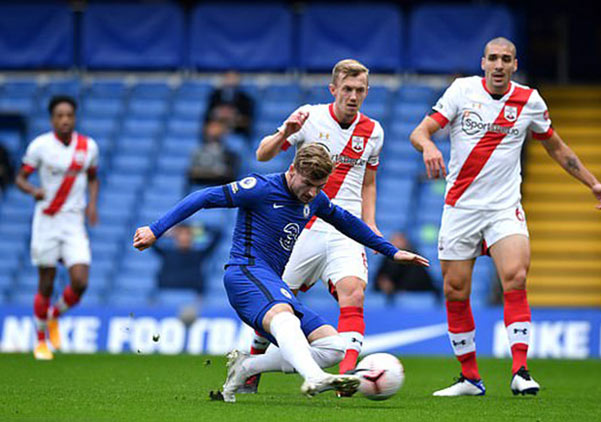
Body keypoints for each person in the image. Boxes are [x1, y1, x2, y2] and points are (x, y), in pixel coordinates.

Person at [132, 144, 428, 402]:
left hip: (271, 282)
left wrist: (392, 251)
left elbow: (347, 222)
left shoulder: (315, 199)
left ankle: (247, 367)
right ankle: (313, 377)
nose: (312, 192)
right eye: (308, 183)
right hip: (245, 274)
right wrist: (156, 230)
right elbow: (204, 197)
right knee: (285, 316)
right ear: (292, 170)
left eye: (319, 185)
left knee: (334, 347)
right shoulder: (260, 188)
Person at [409, 37, 601, 397]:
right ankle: (470, 378)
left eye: (506, 59)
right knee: (455, 291)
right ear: (483, 62)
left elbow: (556, 146)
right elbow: (420, 131)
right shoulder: (462, 91)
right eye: (493, 59)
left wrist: (592, 183)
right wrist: (428, 146)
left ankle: (521, 370)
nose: (499, 65)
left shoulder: (529, 100)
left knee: (516, 277)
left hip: (505, 208)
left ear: (514, 64)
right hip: (460, 208)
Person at [252, 59, 384, 384]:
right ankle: (252, 366)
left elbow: (368, 183)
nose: (353, 96)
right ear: (333, 89)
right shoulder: (308, 117)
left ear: (367, 92)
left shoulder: (373, 131)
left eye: (360, 90)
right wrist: (286, 131)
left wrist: (371, 225)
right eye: (347, 89)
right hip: (303, 226)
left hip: (346, 228)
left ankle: (347, 377)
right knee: (277, 301)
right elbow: (262, 154)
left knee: (353, 292)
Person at [15, 95, 100, 360]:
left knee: (80, 280)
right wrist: (32, 190)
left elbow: (94, 178)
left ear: (74, 118)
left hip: (73, 221)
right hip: (47, 221)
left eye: (69, 115)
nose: (64, 120)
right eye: (59, 115)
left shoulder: (88, 147)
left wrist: (92, 205)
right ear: (52, 119)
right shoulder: (40, 146)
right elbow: (20, 177)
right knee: (46, 283)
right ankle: (41, 341)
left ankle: (53, 315)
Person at [151, 225, 221, 294]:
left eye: (187, 234)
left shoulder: (199, 255)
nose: (184, 237)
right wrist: (165, 232)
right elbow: (150, 239)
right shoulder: (166, 253)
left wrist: (198, 230)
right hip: (167, 293)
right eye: (181, 234)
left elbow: (218, 234)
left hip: (192, 296)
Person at [374, 232, 440, 302]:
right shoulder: (386, 260)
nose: (396, 244)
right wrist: (383, 284)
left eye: (399, 241)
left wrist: (398, 289)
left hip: (416, 296)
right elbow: (379, 280)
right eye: (394, 241)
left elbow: (421, 281)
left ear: (406, 243)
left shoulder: (414, 258)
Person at [188, 116, 239, 190]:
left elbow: (229, 175)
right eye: (212, 127)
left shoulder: (230, 153)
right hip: (200, 187)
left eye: (218, 128)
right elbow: (192, 173)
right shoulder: (198, 150)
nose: (214, 131)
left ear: (224, 131)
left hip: (220, 189)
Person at [206, 71, 254, 137]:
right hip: (218, 126)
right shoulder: (215, 95)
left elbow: (247, 120)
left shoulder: (245, 98)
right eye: (228, 78)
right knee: (213, 129)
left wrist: (233, 116)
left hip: (237, 130)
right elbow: (208, 114)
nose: (230, 81)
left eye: (233, 78)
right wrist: (219, 113)